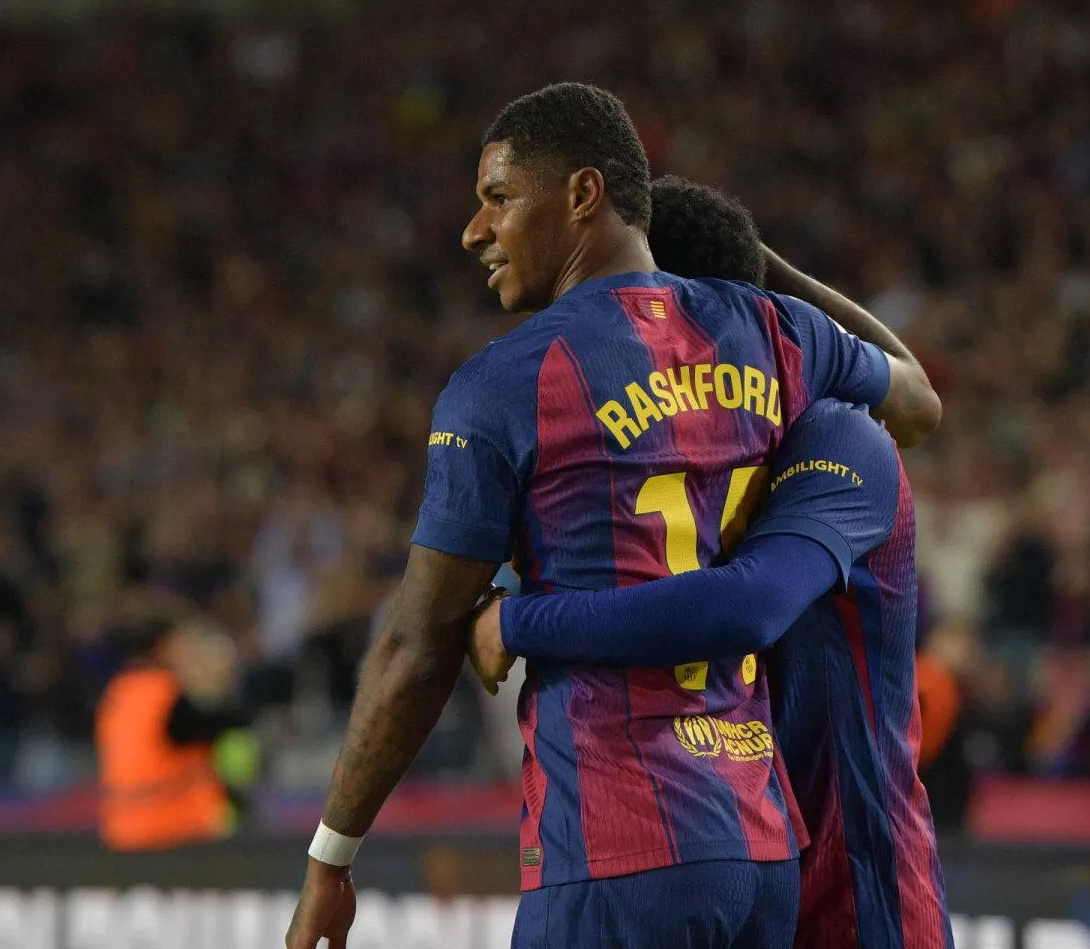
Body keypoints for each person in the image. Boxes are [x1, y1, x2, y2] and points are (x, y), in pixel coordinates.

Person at [284, 84, 941, 949]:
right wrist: (761, 264)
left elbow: (417, 643)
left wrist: (332, 855)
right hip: (760, 844)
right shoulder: (775, 335)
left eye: (497, 198)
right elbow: (917, 396)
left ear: (585, 195)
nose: (474, 231)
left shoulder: (504, 383)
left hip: (619, 849)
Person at [469, 183, 951, 948]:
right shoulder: (688, 457)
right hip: (753, 861)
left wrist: (521, 620)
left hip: (862, 892)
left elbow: (747, 604)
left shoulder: (838, 438)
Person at [95, 617, 252, 851]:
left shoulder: (120, 691)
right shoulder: (170, 697)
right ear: (166, 646)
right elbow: (225, 726)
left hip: (124, 831)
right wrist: (215, 683)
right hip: (176, 832)